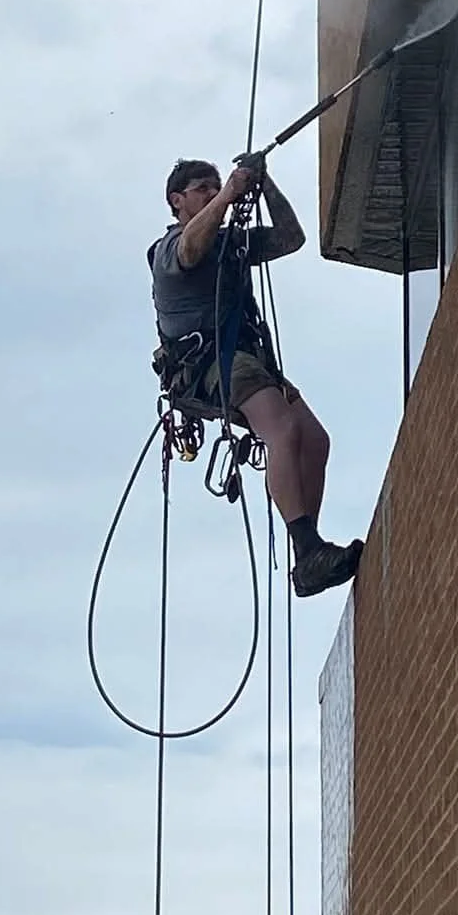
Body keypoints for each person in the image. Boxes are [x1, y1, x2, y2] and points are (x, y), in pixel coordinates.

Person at [150, 156, 362, 598]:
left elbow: (290, 238)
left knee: (314, 441)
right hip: (210, 362)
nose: (210, 192)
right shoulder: (168, 250)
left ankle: (308, 550)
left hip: (249, 358)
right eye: (200, 189)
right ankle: (307, 550)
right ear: (177, 201)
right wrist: (229, 193)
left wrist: (265, 185)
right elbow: (192, 251)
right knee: (281, 432)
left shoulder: (231, 243)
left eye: (213, 185)